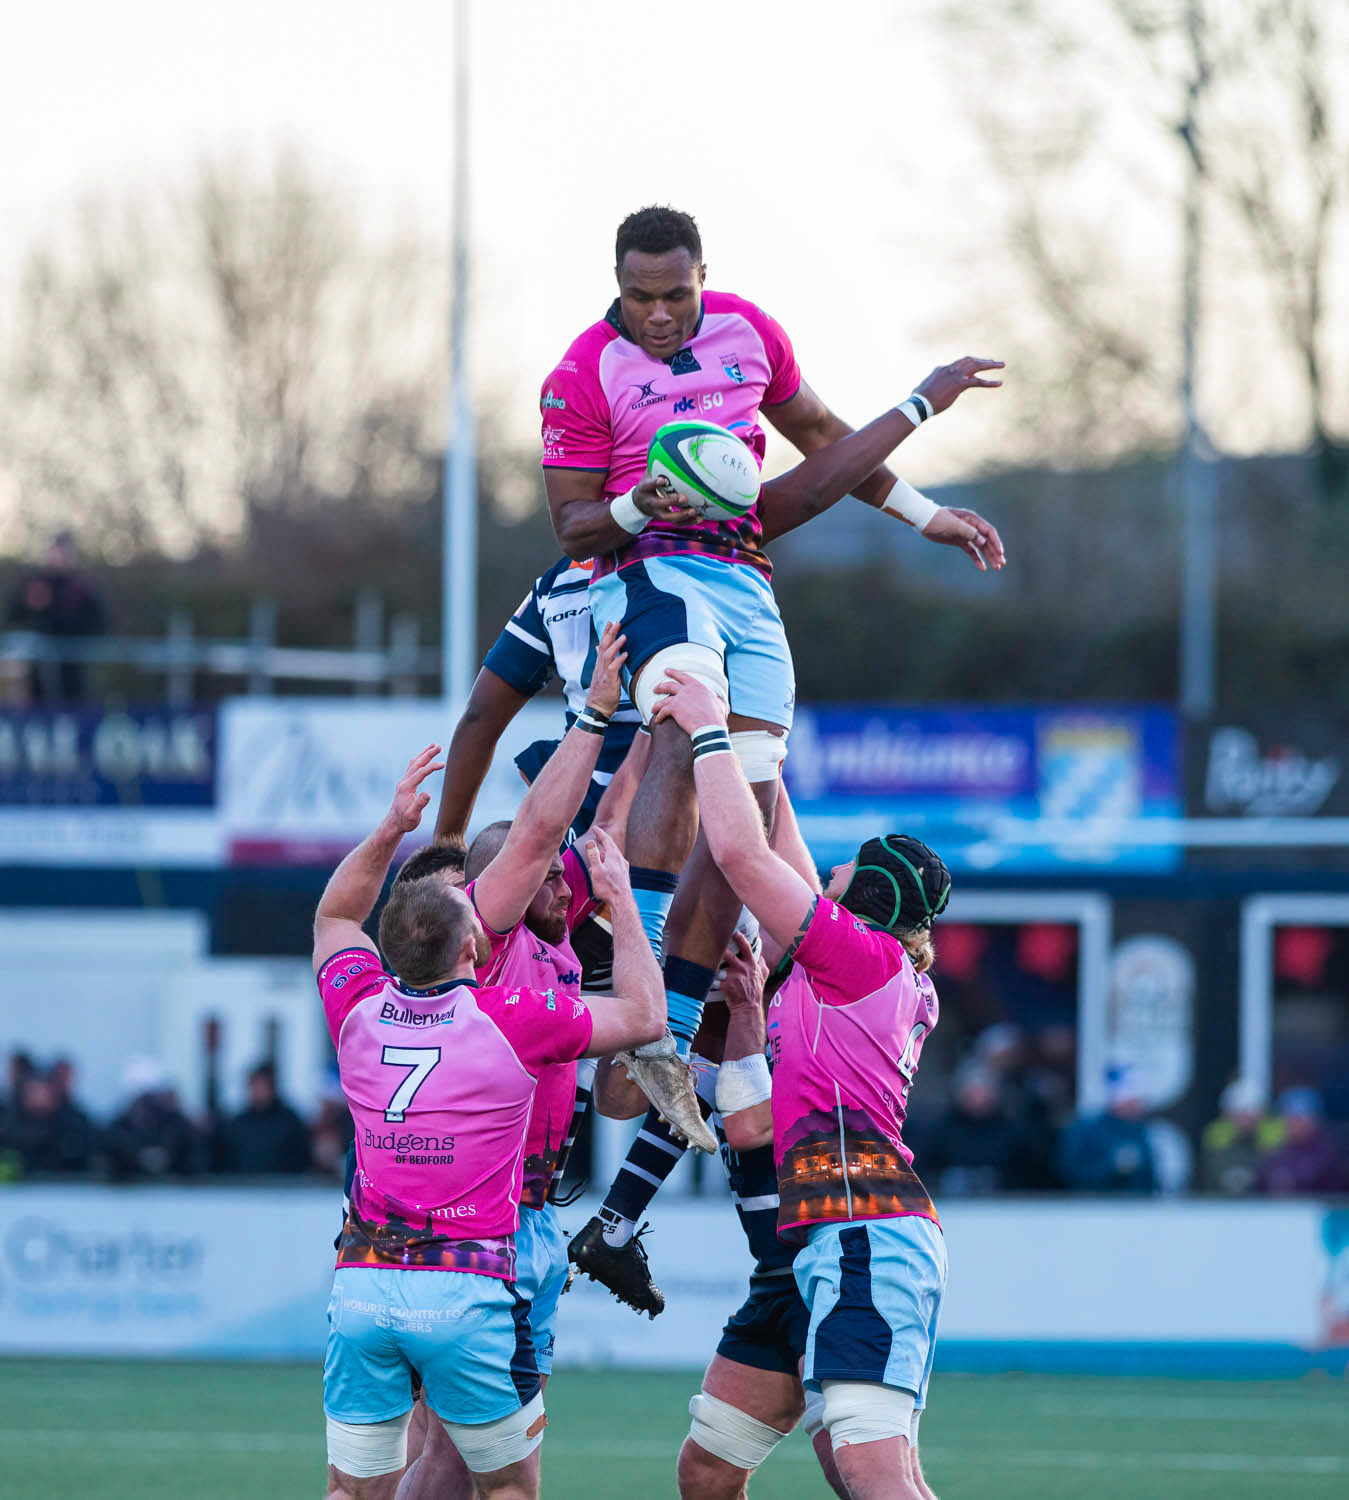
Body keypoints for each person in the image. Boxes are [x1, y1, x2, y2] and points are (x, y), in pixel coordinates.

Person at [542, 205, 1003, 1152]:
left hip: (747, 581)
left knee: (742, 813)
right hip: (651, 570)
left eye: (676, 294)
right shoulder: (581, 369)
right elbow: (574, 527)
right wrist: (641, 498)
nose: (659, 314)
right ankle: (630, 956)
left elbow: (822, 439)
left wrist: (924, 516)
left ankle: (666, 1028)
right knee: (685, 715)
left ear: (703, 276)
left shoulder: (750, 334)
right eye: (640, 297)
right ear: (617, 286)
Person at [315, 745, 663, 1500]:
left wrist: (391, 828)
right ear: (472, 932)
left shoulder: (359, 1007)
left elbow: (337, 915)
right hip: (478, 1261)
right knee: (500, 1479)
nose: (551, 880)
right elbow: (641, 1011)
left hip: (373, 1271)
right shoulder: (501, 1009)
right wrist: (598, 714)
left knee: (386, 1475)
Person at [653, 668, 952, 1500]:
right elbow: (747, 1130)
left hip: (863, 1231)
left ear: (864, 897)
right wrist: (759, 734)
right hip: (807, 1241)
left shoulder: (857, 956)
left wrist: (710, 725)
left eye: (841, 870)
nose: (822, 872)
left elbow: (747, 853)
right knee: (708, 1469)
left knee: (870, 1473)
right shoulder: (834, 970)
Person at [395, 623, 651, 1500]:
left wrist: (656, 721)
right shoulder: (490, 941)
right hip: (481, 1223)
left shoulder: (549, 923)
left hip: (531, 1218)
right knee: (459, 1454)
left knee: (462, 1449)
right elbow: (545, 833)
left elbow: (602, 827)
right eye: (541, 875)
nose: (562, 886)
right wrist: (595, 708)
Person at [5, 531, 105, 702]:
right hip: (40, 668)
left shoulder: (81, 587)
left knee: (73, 702)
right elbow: (13, 615)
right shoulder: (36, 583)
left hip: (73, 665)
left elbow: (99, 622)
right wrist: (30, 604)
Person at [1056, 1068, 1158, 1195]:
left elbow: (1149, 1175)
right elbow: (1070, 1171)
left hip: (1133, 1209)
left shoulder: (1139, 1131)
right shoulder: (1086, 1129)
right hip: (1092, 1206)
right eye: (1131, 1102)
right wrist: (1112, 1168)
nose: (1137, 1107)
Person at [214, 1061, 311, 1175]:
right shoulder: (238, 1124)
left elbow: (300, 1160)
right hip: (243, 1189)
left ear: (272, 1087)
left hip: (282, 1189)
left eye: (262, 1085)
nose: (257, 1090)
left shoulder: (290, 1122)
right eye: (254, 1085)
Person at [1198, 1079, 1284, 1196]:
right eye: (1240, 1113)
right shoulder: (1216, 1142)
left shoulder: (1276, 1142)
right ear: (1227, 1114)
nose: (1246, 1119)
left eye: (1251, 1112)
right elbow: (1211, 1180)